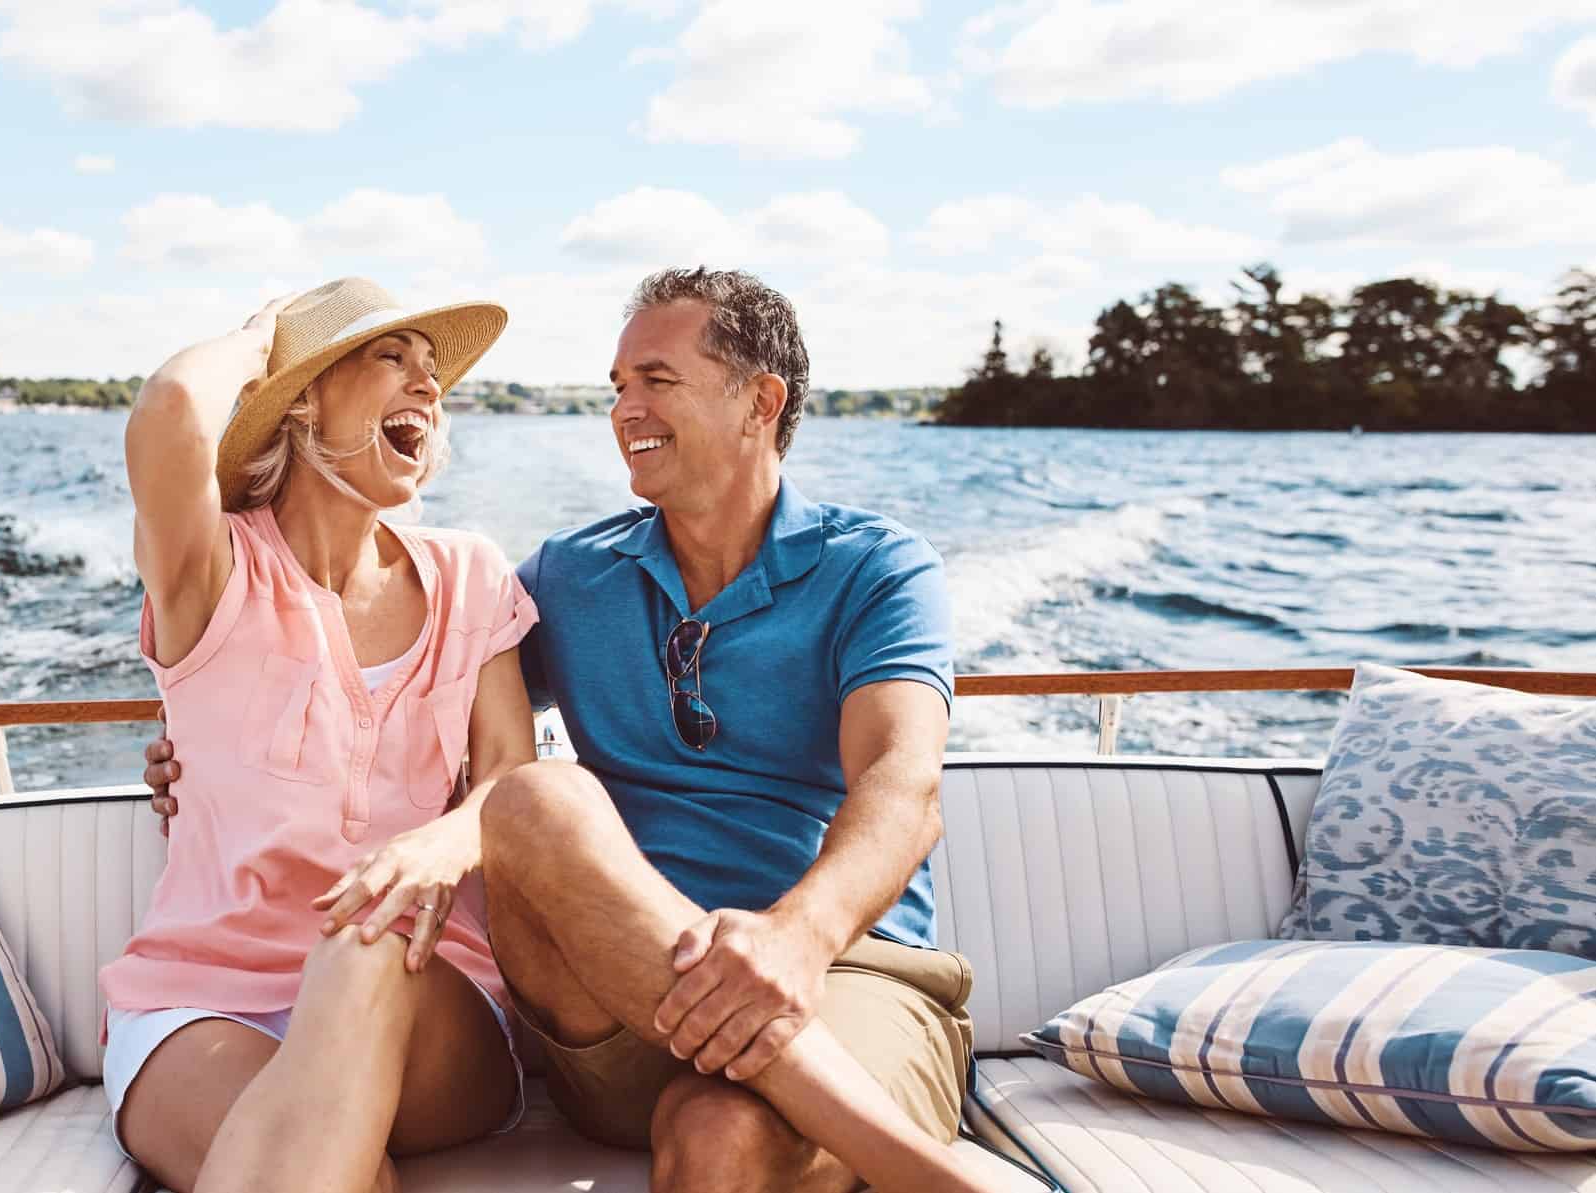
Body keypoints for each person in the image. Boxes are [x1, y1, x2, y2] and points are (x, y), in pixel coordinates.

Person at [145, 268, 980, 1192]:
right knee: (541, 795)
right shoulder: (567, 578)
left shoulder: (877, 568)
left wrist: (794, 936)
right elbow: (396, 706)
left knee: (722, 1141)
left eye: (654, 380)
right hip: (610, 1004)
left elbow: (903, 789)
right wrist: (201, 751)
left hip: (837, 966)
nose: (626, 408)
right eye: (616, 387)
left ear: (760, 400)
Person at [103, 276, 540, 1193]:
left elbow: (509, 775)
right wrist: (263, 336)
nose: (427, 387)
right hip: (203, 999)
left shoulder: (472, 575)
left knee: (368, 944)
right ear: (303, 398)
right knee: (340, 1176)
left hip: (426, 988)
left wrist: (444, 839)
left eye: (433, 373)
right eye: (391, 357)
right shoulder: (213, 574)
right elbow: (174, 409)